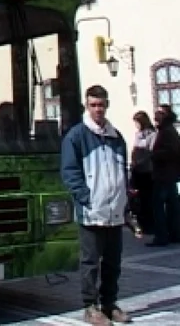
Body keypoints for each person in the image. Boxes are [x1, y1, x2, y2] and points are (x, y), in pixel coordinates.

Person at [61, 85, 130, 325]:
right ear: (86, 106)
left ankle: (109, 304)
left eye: (101, 105)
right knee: (90, 262)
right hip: (92, 211)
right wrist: (85, 198)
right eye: (93, 105)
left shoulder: (116, 136)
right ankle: (90, 307)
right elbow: (70, 172)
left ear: (107, 105)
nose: (98, 109)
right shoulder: (77, 136)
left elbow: (123, 171)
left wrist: (125, 202)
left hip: (115, 211)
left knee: (113, 262)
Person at [147, 106, 180, 246]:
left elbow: (172, 152)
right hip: (168, 174)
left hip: (164, 175)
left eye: (159, 113)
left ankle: (162, 236)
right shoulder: (166, 130)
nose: (156, 115)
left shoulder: (167, 132)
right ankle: (174, 233)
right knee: (172, 206)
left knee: (159, 206)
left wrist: (154, 155)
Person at [129, 111, 156, 234]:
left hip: (146, 170)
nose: (136, 125)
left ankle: (149, 225)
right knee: (137, 198)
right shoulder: (137, 134)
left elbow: (150, 152)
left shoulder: (151, 134)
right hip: (137, 170)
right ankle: (141, 223)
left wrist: (139, 161)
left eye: (137, 122)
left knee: (147, 199)